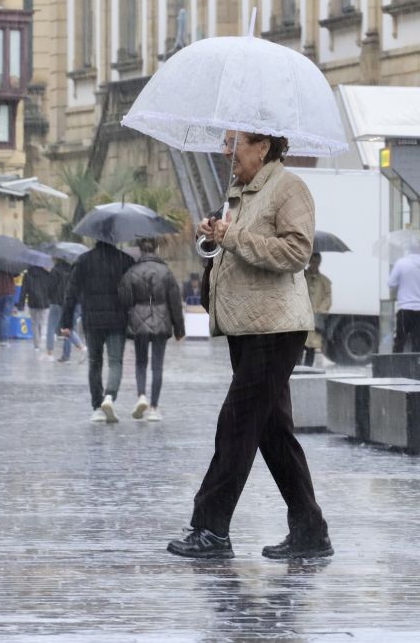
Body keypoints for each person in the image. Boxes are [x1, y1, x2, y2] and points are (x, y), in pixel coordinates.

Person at [168, 131, 331, 561]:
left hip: (275, 328)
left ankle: (211, 529)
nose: (225, 151)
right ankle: (310, 531)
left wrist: (232, 237)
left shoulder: (289, 187)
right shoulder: (239, 192)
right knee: (273, 433)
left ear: (263, 146)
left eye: (233, 142)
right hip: (246, 326)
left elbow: (296, 251)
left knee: (236, 424)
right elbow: (233, 248)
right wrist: (211, 235)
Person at [60, 240, 134, 422]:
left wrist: (66, 321)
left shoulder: (84, 260)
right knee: (115, 361)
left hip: (92, 320)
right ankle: (109, 396)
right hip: (117, 319)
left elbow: (71, 292)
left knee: (95, 362)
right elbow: (133, 291)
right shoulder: (125, 260)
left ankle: (97, 407)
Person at [118, 238, 185, 421]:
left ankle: (141, 396)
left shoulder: (131, 272)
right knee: (157, 366)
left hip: (138, 322)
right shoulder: (166, 272)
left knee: (140, 363)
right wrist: (179, 329)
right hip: (162, 321)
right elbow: (175, 303)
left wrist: (130, 317)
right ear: (156, 248)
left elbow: (124, 300)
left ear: (139, 250)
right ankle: (154, 407)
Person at [388, 243, 420, 354]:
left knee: (399, 342)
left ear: (410, 249)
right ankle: (416, 368)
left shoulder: (401, 263)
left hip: (404, 309)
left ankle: (395, 367)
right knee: (418, 344)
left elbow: (391, 283)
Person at [303, 253, 332, 367]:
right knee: (299, 345)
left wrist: (320, 309)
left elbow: (328, 297)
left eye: (317, 262)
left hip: (316, 317)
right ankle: (297, 368)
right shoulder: (302, 276)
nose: (315, 264)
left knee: (312, 345)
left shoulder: (324, 281)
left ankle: (307, 368)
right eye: (313, 261)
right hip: (302, 316)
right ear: (309, 262)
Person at [21, 265, 54, 357]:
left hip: (32, 302)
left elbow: (23, 290)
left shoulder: (27, 275)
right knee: (42, 322)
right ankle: (42, 338)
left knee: (34, 322)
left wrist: (21, 304)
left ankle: (36, 344)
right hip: (45, 302)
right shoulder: (47, 274)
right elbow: (51, 289)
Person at [47, 259, 73, 361]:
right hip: (68, 302)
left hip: (56, 302)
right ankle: (66, 355)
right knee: (68, 327)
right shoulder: (72, 270)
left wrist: (50, 297)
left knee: (51, 326)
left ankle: (50, 353)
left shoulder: (55, 270)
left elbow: (50, 287)